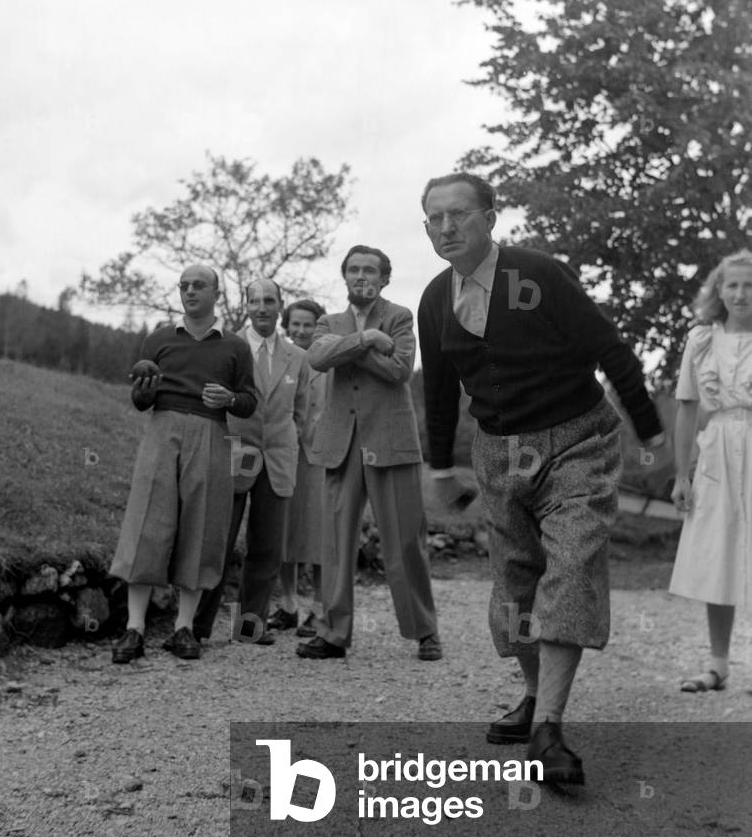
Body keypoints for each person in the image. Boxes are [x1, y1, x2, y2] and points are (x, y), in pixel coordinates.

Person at [418, 173, 664, 784]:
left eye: (459, 215)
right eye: (434, 219)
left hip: (577, 438)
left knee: (572, 562)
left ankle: (549, 729)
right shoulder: (433, 300)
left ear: (490, 218)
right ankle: (533, 698)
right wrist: (442, 466)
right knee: (516, 581)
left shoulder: (538, 274)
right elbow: (440, 391)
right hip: (499, 451)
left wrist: (651, 431)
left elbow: (610, 347)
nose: (446, 228)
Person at [296, 245, 442, 662]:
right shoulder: (329, 320)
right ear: (344, 277)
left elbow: (400, 369)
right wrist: (365, 340)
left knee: (403, 543)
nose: (361, 276)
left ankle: (425, 631)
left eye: (370, 271)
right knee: (335, 545)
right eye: (354, 270)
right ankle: (333, 634)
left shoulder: (399, 316)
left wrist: (351, 350)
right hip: (341, 444)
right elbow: (317, 357)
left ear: (384, 279)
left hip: (391, 441)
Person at [110, 264, 256, 663]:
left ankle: (184, 628)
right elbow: (141, 402)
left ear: (217, 293)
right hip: (162, 430)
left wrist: (228, 399)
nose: (190, 291)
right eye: (184, 286)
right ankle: (134, 629)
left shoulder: (234, 347)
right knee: (147, 522)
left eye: (199, 285)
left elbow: (249, 400)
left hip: (211, 432)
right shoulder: (158, 340)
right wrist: (145, 390)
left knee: (202, 525)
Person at [193, 278, 308, 646]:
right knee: (219, 542)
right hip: (233, 454)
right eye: (255, 300)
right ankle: (197, 627)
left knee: (267, 547)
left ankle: (248, 627)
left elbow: (301, 412)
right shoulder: (226, 345)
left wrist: (287, 441)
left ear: (280, 305)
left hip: (278, 459)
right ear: (246, 305)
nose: (262, 307)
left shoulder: (298, 357)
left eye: (269, 300)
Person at [669, 250, 752, 693]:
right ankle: (718, 663)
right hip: (717, 447)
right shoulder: (702, 339)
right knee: (719, 552)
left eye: (750, 285)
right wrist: (682, 474)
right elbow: (686, 408)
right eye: (733, 285)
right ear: (719, 291)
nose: (741, 293)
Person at [267, 298, 329, 637]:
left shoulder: (329, 363)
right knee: (284, 533)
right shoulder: (280, 360)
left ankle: (320, 609)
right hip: (284, 454)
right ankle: (288, 605)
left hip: (319, 458)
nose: (301, 330)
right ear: (286, 327)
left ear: (318, 327)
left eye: (308, 324)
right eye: (296, 324)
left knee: (318, 536)